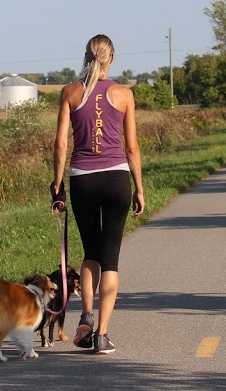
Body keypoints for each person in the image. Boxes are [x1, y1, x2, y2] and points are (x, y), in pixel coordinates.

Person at [50, 34, 145, 355]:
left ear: (86, 58)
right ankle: (102, 336)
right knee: (111, 260)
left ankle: (86, 316)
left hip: (83, 181)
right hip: (117, 180)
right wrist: (140, 188)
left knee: (90, 252)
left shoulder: (70, 92)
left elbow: (61, 144)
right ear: (112, 59)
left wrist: (57, 183)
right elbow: (131, 147)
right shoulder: (124, 94)